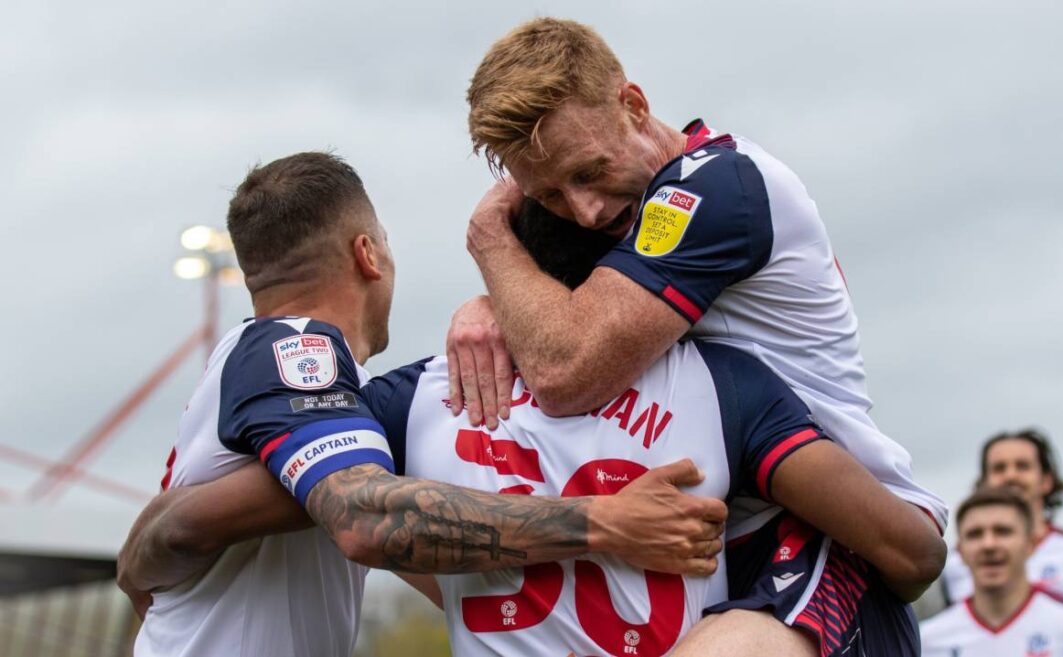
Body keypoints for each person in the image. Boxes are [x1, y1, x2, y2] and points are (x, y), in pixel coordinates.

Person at [123, 198, 945, 657]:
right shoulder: (725, 386)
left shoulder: (411, 402)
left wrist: (149, 541)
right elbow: (909, 553)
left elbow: (195, 520)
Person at [117, 152, 727, 657]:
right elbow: (368, 519)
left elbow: (168, 541)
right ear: (368, 254)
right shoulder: (296, 349)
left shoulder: (281, 383)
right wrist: (604, 523)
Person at [447, 17, 949, 542]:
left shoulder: (715, 184)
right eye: (549, 195)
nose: (586, 211)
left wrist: (492, 242)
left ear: (634, 106)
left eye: (590, 171)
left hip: (836, 533)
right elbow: (550, 324)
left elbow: (564, 370)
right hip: (728, 534)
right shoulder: (628, 210)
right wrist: (489, 305)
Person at [939, 428, 1063, 654]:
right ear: (984, 481)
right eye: (999, 468)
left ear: (1046, 480)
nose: (1010, 476)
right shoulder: (954, 565)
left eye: (1022, 466)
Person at [921, 487, 1063, 657]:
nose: (989, 544)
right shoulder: (926, 639)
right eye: (975, 534)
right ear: (961, 551)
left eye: (1003, 531)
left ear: (1031, 544)